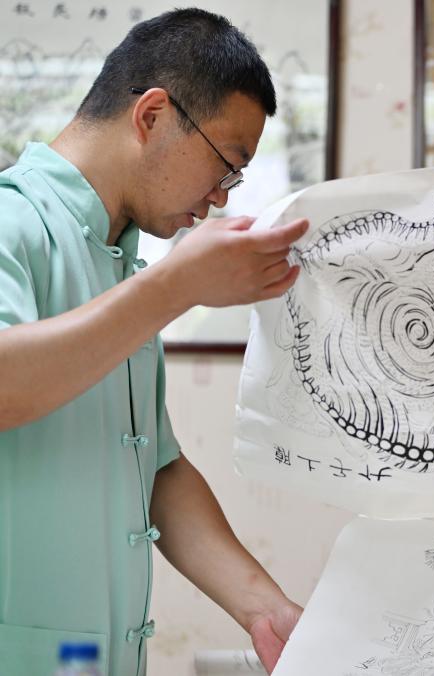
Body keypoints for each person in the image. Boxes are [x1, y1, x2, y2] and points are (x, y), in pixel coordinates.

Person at [0, 9, 309, 675]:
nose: (220, 198)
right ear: (152, 115)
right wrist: (176, 285)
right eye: (226, 165)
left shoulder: (121, 261)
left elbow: (156, 469)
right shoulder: (11, 221)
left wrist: (265, 610)